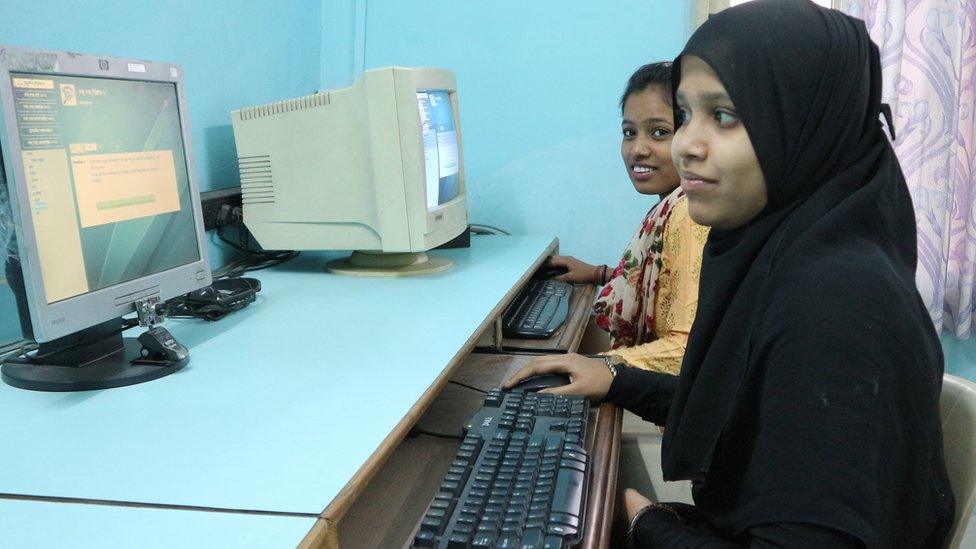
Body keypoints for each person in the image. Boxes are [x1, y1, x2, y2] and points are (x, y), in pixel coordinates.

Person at [506, 1, 955, 546]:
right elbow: (750, 409)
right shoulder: (798, 254)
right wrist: (618, 380)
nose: (685, 144)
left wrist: (648, 525)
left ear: (806, 126)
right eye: (686, 114)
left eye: (724, 116)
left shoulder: (832, 307)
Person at [551, 62, 708, 375]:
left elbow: (687, 347)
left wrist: (599, 366)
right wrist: (598, 273)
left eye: (659, 133)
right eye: (629, 133)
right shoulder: (676, 204)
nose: (638, 149)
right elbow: (670, 285)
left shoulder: (687, 214)